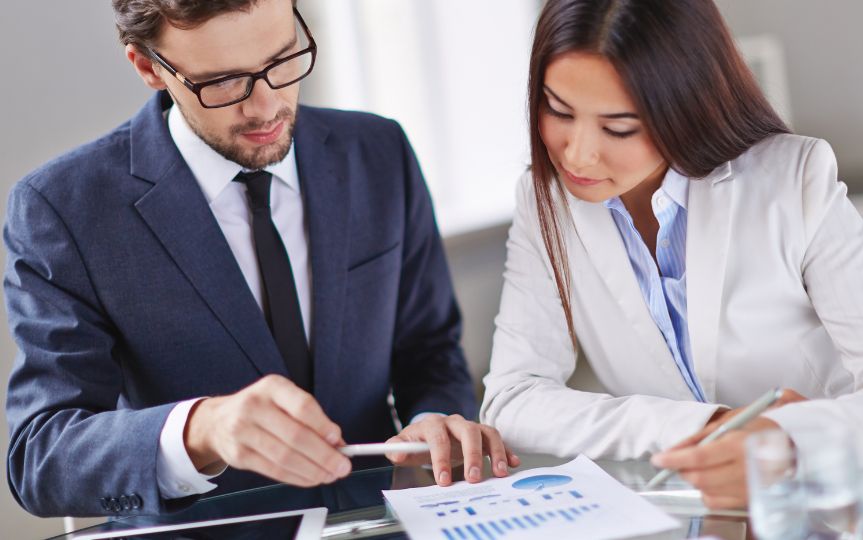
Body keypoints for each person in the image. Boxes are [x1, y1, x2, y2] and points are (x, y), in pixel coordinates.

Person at [4, 0, 518, 518]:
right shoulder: (63, 209)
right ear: (148, 66)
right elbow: (40, 456)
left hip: (384, 523)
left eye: (283, 58)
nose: (266, 107)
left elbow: (429, 352)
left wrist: (434, 419)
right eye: (224, 81)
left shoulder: (379, 151)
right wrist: (201, 429)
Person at [480, 0, 863, 509]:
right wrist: (707, 426)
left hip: (861, 504)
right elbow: (513, 398)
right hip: (699, 512)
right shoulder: (544, 202)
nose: (576, 154)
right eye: (558, 110)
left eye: (618, 127)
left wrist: (795, 440)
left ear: (684, 105)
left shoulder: (793, 179)